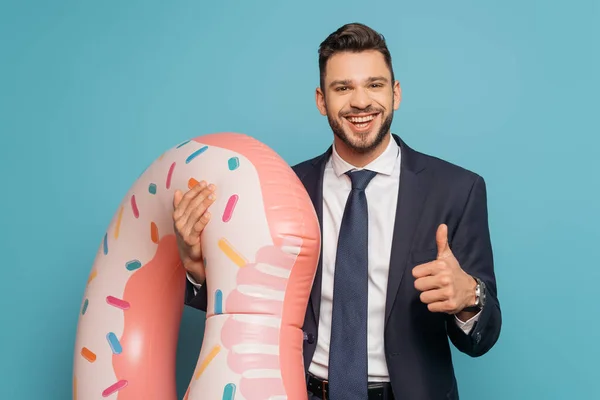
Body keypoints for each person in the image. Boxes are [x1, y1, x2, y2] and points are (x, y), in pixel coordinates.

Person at [174, 22, 501, 400]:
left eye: (374, 85)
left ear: (395, 94)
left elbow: (483, 337)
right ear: (321, 100)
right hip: (299, 391)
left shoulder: (457, 190)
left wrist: (469, 298)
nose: (361, 101)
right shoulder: (282, 188)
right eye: (343, 88)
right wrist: (199, 272)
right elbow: (247, 302)